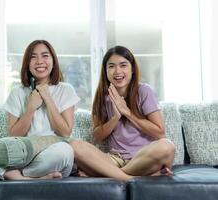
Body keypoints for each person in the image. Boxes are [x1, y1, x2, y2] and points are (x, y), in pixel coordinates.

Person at [0, 40, 80, 180]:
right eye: (33, 57)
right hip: (21, 155)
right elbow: (14, 134)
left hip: (49, 156)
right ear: (27, 63)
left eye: (45, 56)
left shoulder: (65, 90)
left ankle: (10, 174)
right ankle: (25, 177)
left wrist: (48, 99)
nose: (39, 61)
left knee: (65, 151)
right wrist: (30, 107)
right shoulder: (17, 92)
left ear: (53, 60)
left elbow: (65, 132)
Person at [70, 45, 175, 181]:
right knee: (74, 146)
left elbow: (160, 132)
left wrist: (127, 113)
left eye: (123, 65)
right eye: (111, 66)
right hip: (115, 159)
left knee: (167, 146)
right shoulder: (102, 97)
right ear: (105, 71)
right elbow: (97, 136)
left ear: (132, 69)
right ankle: (129, 176)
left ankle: (114, 174)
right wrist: (115, 117)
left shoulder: (144, 91)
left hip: (144, 157)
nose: (117, 71)